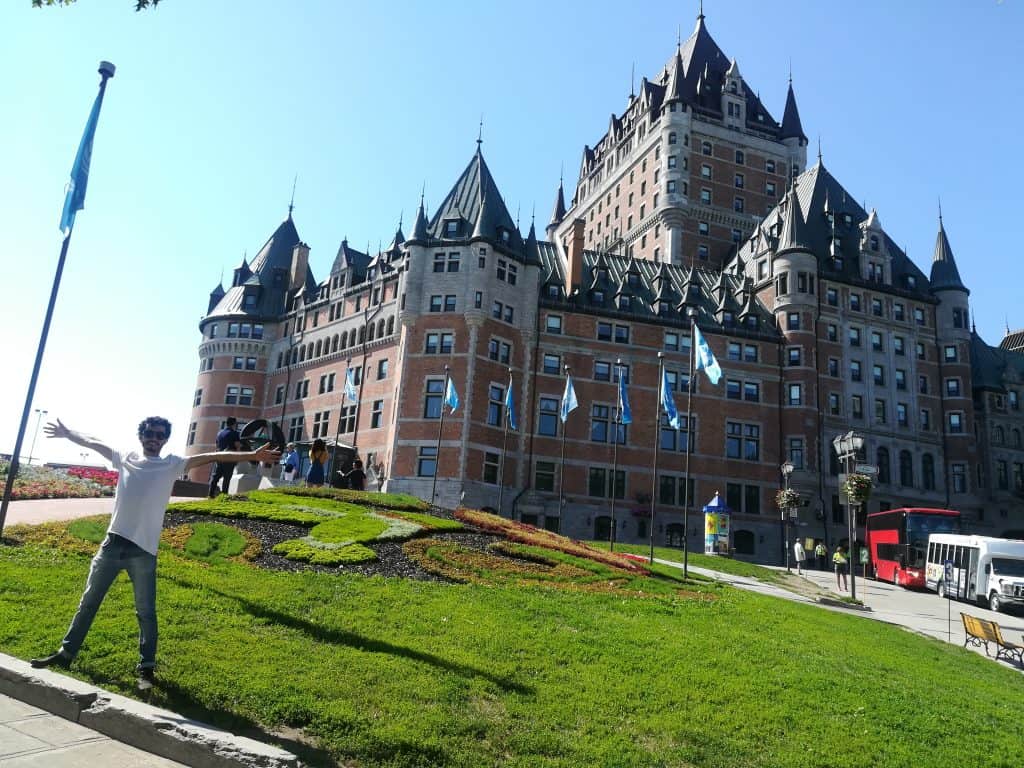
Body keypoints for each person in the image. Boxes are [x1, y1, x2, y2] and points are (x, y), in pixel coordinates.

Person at [29, 416, 279, 690]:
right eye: (150, 433)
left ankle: (146, 669)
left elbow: (211, 455)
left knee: (146, 612)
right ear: (142, 434)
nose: (154, 439)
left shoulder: (172, 463)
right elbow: (94, 442)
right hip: (112, 545)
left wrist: (251, 454)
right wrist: (68, 434)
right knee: (88, 603)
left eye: (160, 435)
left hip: (143, 551)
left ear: (165, 439)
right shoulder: (125, 457)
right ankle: (66, 654)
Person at [208, 417, 241, 497]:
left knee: (216, 476)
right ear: (234, 424)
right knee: (227, 478)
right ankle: (224, 496)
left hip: (219, 457)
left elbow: (217, 445)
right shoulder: (235, 433)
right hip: (229, 458)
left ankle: (210, 494)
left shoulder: (220, 433)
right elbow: (237, 445)